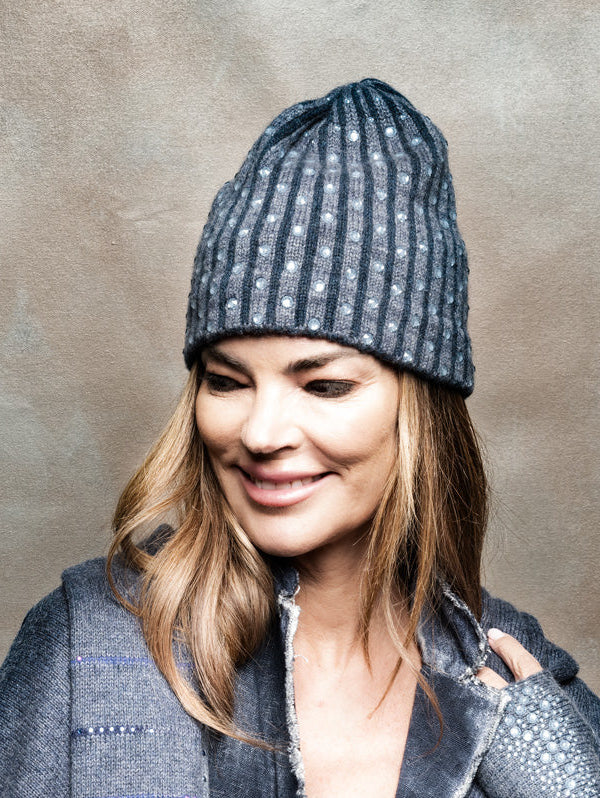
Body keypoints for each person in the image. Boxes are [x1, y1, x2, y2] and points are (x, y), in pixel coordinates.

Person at [0, 78, 599, 798]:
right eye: (227, 381)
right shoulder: (82, 649)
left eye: (324, 386)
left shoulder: (522, 684)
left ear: (421, 409)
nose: (260, 433)